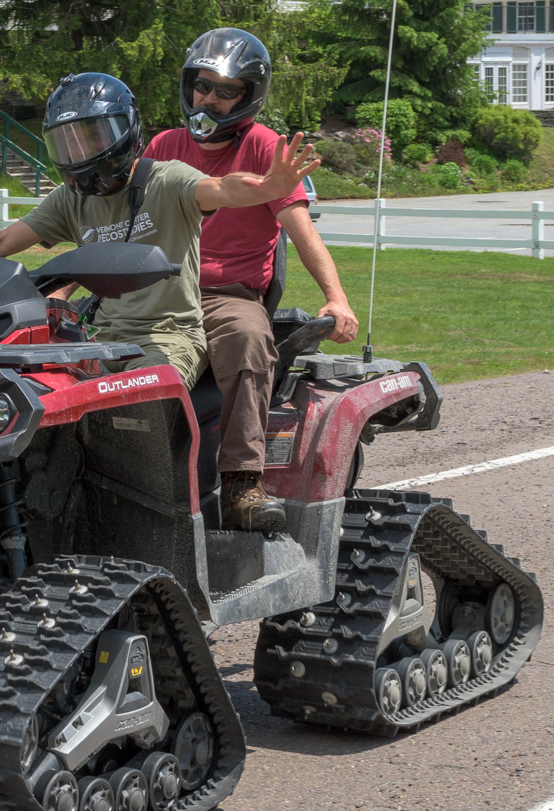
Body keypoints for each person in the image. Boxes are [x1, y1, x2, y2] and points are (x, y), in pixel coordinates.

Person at [0, 72, 318, 530]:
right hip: (101, 335)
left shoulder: (168, 179)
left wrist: (266, 189)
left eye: (92, 137)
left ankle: (190, 504)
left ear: (125, 133)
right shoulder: (69, 200)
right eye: (67, 143)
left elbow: (223, 188)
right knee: (33, 402)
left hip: (169, 334)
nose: (80, 153)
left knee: (134, 409)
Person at [142, 28, 359, 532]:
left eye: (225, 90)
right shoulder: (164, 145)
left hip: (225, 295)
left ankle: (241, 484)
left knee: (248, 337)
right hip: (158, 288)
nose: (208, 99)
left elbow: (302, 232)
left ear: (248, 97)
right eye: (202, 86)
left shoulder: (265, 148)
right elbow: (123, 225)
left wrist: (337, 298)